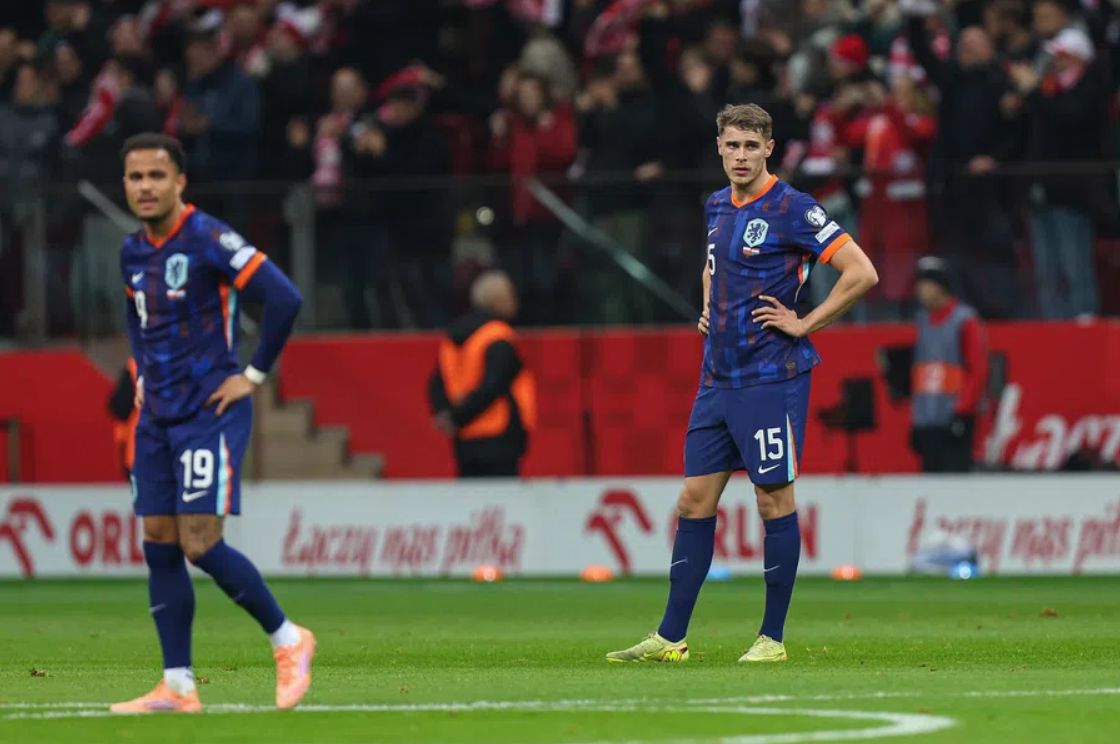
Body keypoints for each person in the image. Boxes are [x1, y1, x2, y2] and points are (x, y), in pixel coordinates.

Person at [606, 104, 878, 664]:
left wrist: (804, 322)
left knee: (772, 499)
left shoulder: (793, 208)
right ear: (719, 148)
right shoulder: (715, 205)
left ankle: (771, 639)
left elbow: (861, 271)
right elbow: (712, 266)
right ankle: (671, 636)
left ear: (769, 149)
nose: (741, 156)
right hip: (717, 377)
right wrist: (709, 305)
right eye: (732, 145)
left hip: (770, 377)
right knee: (693, 498)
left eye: (752, 146)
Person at [110, 133, 312, 714]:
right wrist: (140, 369)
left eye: (156, 175)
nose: (145, 187)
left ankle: (288, 638)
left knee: (200, 542)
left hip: (209, 410)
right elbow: (136, 316)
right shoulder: (131, 252)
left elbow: (283, 297)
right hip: (157, 414)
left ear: (180, 182)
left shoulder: (209, 238)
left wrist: (253, 374)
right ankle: (177, 685)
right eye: (135, 177)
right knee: (159, 539)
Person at [428, 271, 536, 478]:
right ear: (497, 300)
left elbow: (437, 382)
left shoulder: (454, 336)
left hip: (464, 440)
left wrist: (446, 415)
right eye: (510, 295)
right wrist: (459, 418)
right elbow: (492, 386)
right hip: (499, 435)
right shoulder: (498, 336)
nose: (515, 301)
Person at [909, 256, 988, 473]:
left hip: (954, 419)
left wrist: (963, 412)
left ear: (940, 286)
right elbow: (921, 374)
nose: (919, 290)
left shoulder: (965, 321)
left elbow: (978, 371)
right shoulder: (923, 322)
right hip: (928, 421)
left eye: (925, 284)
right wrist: (916, 420)